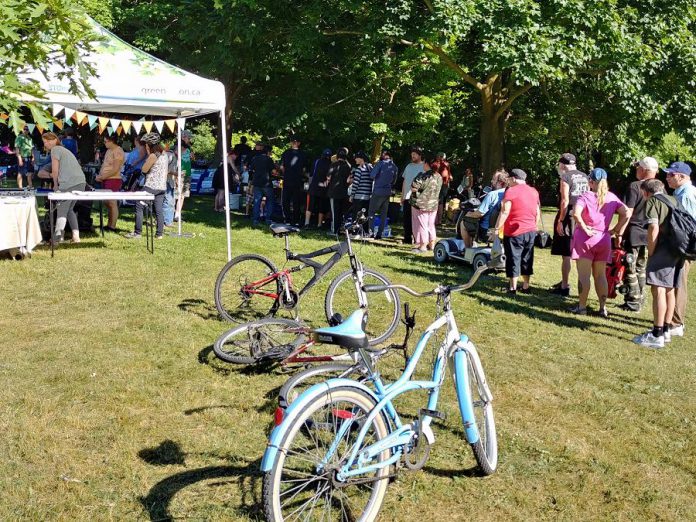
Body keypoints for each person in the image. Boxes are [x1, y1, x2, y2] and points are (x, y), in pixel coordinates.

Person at [632, 178, 686, 348]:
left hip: (663, 249)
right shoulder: (674, 200)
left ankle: (657, 333)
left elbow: (653, 228)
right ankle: (667, 330)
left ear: (646, 192)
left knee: (658, 289)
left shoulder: (654, 202)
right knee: (670, 289)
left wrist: (651, 250)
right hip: (679, 249)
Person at [569, 168, 629, 316]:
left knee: (584, 275)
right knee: (600, 275)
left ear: (590, 181)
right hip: (603, 239)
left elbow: (576, 214)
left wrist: (585, 228)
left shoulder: (585, 196)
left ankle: (582, 307)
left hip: (585, 239)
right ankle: (603, 308)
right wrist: (615, 230)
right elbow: (626, 213)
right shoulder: (611, 197)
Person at [620, 157, 659, 312]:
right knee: (641, 268)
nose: (636, 170)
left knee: (630, 267)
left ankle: (633, 301)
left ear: (643, 169)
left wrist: (618, 232)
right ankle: (640, 298)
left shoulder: (635, 186)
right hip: (649, 233)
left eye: (638, 167)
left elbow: (628, 212)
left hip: (634, 232)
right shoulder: (659, 187)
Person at [495, 169, 540, 294]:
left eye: (509, 179)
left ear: (514, 178)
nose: (508, 181)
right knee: (527, 258)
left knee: (513, 258)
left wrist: (497, 228)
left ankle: (512, 288)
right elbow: (537, 211)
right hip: (530, 230)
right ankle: (526, 286)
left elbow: (505, 211)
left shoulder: (511, 191)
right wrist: (534, 226)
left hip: (514, 231)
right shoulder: (534, 191)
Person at [551, 153, 589, 296]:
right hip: (582, 216)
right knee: (580, 253)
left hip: (569, 216)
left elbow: (564, 200)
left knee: (566, 253)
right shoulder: (585, 176)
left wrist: (561, 220)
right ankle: (578, 284)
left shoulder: (565, 177)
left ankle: (565, 285)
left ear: (562, 165)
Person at [664, 161, 695, 337]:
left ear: (682, 177)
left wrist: (682, 247)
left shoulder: (687, 195)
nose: (667, 178)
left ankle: (676, 323)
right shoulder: (680, 192)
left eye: (671, 175)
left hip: (684, 246)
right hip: (681, 245)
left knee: (678, 282)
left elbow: (689, 224)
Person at [38, 132, 87, 243]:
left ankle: (57, 239)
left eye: (47, 141)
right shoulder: (65, 150)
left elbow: (55, 171)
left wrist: (55, 185)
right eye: (44, 142)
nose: (46, 144)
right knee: (69, 210)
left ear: (55, 140)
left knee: (61, 211)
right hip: (81, 183)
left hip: (69, 184)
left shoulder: (55, 150)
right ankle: (76, 237)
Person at [125, 133, 167, 240]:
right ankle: (159, 234)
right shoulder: (164, 155)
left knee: (139, 205)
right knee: (158, 210)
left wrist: (148, 154)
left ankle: (137, 232)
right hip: (161, 187)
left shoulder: (153, 156)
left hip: (151, 186)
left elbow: (144, 169)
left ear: (149, 145)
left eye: (146, 144)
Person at [460, 169, 508, 247]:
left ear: (500, 182)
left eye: (494, 179)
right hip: (503, 230)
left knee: (464, 223)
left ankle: (468, 249)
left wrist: (469, 214)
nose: (492, 181)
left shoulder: (492, 194)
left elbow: (480, 213)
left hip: (486, 230)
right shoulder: (508, 194)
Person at [409, 158, 443, 253]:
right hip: (433, 205)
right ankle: (432, 244)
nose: (423, 164)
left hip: (421, 205)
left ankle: (422, 246)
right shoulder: (439, 176)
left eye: (424, 163)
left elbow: (413, 188)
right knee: (431, 225)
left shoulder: (423, 176)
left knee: (421, 225)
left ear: (428, 165)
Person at [94, 135, 125, 231]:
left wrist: (103, 176)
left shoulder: (118, 151)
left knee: (112, 202)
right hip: (106, 179)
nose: (105, 143)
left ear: (112, 141)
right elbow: (105, 166)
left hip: (113, 179)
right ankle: (109, 224)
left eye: (106, 141)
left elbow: (115, 169)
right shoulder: (108, 151)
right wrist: (100, 176)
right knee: (107, 203)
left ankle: (112, 226)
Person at [368, 149, 399, 239]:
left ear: (384, 155)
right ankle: (379, 234)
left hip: (378, 191)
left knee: (371, 212)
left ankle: (371, 232)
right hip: (387, 192)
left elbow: (372, 175)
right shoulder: (394, 166)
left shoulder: (380, 164)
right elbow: (394, 181)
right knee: (383, 213)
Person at [280, 136, 307, 226]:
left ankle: (287, 219)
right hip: (297, 180)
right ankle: (296, 220)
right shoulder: (303, 154)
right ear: (298, 143)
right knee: (296, 201)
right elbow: (304, 169)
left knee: (286, 201)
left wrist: (287, 173)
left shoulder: (286, 153)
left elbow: (282, 167)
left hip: (288, 179)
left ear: (292, 143)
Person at [400, 147, 424, 244]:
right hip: (407, 196)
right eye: (412, 153)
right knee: (406, 219)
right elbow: (405, 181)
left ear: (420, 155)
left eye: (415, 154)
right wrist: (402, 196)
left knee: (417, 220)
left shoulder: (424, 167)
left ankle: (417, 238)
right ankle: (407, 238)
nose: (412, 155)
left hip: (418, 198)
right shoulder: (409, 166)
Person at [326, 148, 352, 234]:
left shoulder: (333, 165)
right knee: (341, 212)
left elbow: (328, 178)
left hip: (334, 192)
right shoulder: (348, 166)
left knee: (334, 212)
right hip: (344, 192)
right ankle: (340, 229)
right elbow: (349, 180)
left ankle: (335, 231)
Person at [249, 144, 275, 226]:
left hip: (257, 182)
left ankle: (255, 219)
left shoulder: (255, 158)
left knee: (257, 201)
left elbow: (251, 169)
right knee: (270, 201)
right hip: (267, 183)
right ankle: (268, 219)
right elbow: (274, 171)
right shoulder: (269, 160)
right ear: (268, 152)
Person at [305, 148, 332, 228]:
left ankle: (307, 223)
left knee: (309, 206)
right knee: (321, 207)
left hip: (314, 186)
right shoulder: (331, 164)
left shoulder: (316, 162)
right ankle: (319, 224)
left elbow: (311, 174)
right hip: (324, 187)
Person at [174, 129, 194, 222]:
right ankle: (173, 213)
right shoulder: (178, 146)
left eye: (189, 138)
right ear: (183, 137)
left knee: (183, 195)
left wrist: (192, 156)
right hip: (179, 173)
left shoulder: (189, 147)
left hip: (187, 173)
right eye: (188, 137)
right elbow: (176, 155)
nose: (189, 139)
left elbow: (191, 158)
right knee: (176, 194)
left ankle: (178, 213)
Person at [350, 151, 373, 230]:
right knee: (364, 216)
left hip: (358, 196)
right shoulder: (370, 168)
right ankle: (364, 232)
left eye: (356, 158)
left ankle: (355, 231)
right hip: (367, 197)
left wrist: (352, 195)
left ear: (361, 159)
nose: (355, 159)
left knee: (356, 216)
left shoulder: (359, 169)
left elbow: (356, 184)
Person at [431, 151, 452, 225]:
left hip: (439, 185)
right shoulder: (445, 164)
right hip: (443, 185)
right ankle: (438, 220)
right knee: (441, 202)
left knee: (437, 202)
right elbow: (449, 176)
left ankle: (436, 220)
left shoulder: (436, 164)